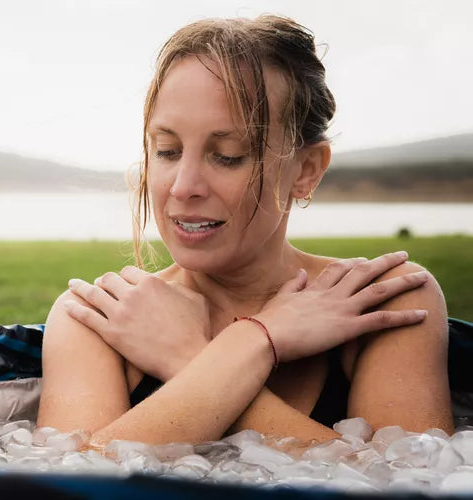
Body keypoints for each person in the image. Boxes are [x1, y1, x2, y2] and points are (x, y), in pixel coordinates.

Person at [36, 15, 452, 446]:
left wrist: (191, 357)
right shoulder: (96, 318)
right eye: (167, 151)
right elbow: (72, 482)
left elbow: (403, 484)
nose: (183, 186)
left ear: (306, 170)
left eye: (228, 156)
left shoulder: (383, 301)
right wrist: (257, 342)